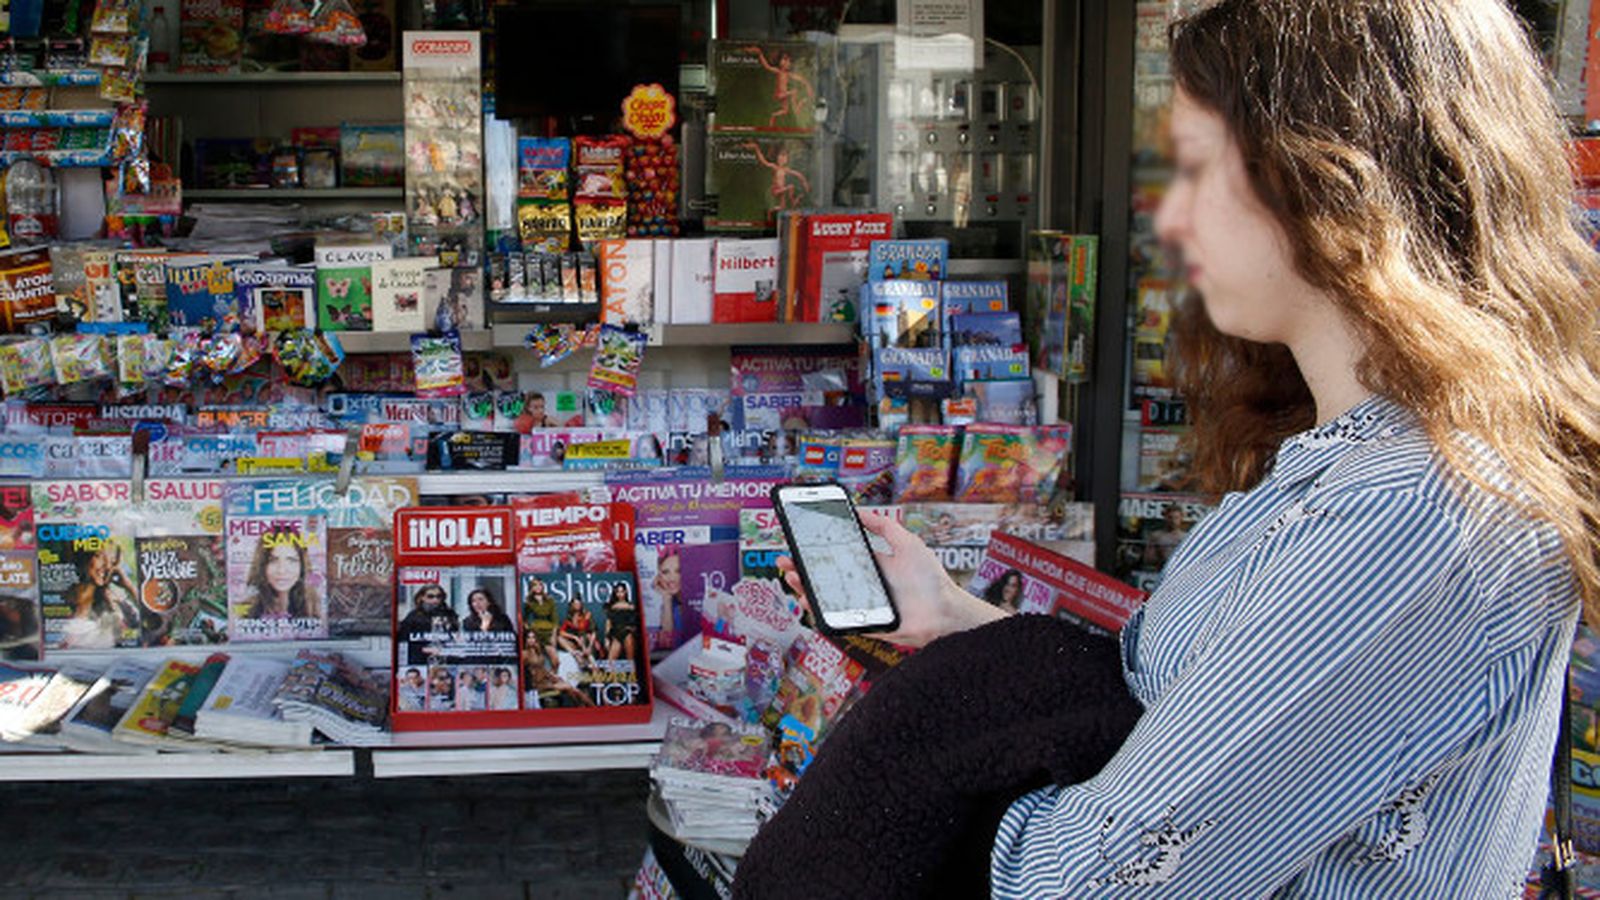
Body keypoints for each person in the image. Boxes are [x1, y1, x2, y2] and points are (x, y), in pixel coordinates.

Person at [765, 1, 1600, 895]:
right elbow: (1178, 705)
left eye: (1195, 166)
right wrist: (958, 618)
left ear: (1331, 177)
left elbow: (1094, 879)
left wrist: (908, 789)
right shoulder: (1354, 461)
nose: (1165, 214)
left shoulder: (1412, 511)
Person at [60, 541, 138, 650]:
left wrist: (129, 586)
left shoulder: (115, 603)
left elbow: (149, 624)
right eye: (100, 556)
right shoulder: (58, 598)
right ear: (85, 557)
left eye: (112, 561)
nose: (107, 566)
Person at [241, 528, 321, 623]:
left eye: (291, 560)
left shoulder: (315, 609)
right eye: (273, 560)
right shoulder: (244, 612)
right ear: (262, 565)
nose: (282, 570)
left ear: (302, 565)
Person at [398, 584, 459, 665]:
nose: (435, 600)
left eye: (438, 596)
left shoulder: (449, 614)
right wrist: (425, 649)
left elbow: (456, 636)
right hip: (421, 659)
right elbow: (404, 640)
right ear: (422, 597)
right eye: (430, 596)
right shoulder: (413, 616)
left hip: (446, 657)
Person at [554, 598, 599, 668]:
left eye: (578, 604)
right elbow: (561, 632)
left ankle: (589, 663)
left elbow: (593, 632)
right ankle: (576, 655)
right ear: (572, 605)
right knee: (559, 638)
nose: (577, 605)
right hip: (577, 643)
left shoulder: (587, 614)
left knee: (592, 664)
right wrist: (574, 637)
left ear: (581, 605)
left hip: (588, 642)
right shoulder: (570, 617)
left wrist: (590, 646)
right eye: (575, 604)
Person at [603, 581, 639, 662]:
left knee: (630, 660)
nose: (620, 594)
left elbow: (631, 610)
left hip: (627, 633)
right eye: (618, 592)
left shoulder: (630, 606)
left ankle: (632, 674)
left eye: (622, 591)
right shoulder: (611, 606)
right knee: (610, 662)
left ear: (625, 592)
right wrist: (606, 638)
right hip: (616, 634)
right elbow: (608, 623)